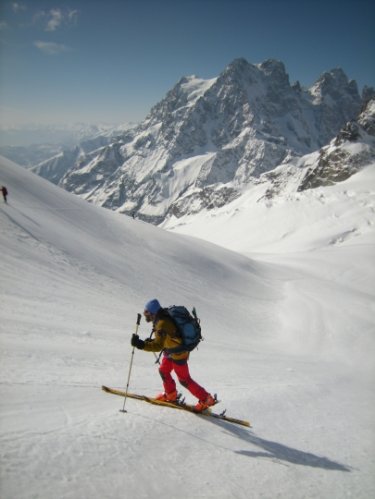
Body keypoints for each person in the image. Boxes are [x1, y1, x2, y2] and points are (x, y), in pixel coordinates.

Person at [131, 298, 216, 412]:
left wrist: (140, 344)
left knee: (184, 380)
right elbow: (164, 339)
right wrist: (148, 342)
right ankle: (171, 395)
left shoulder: (161, 323)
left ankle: (206, 399)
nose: (145, 314)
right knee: (163, 371)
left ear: (152, 312)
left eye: (146, 312)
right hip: (171, 351)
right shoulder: (162, 316)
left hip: (179, 353)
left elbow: (157, 346)